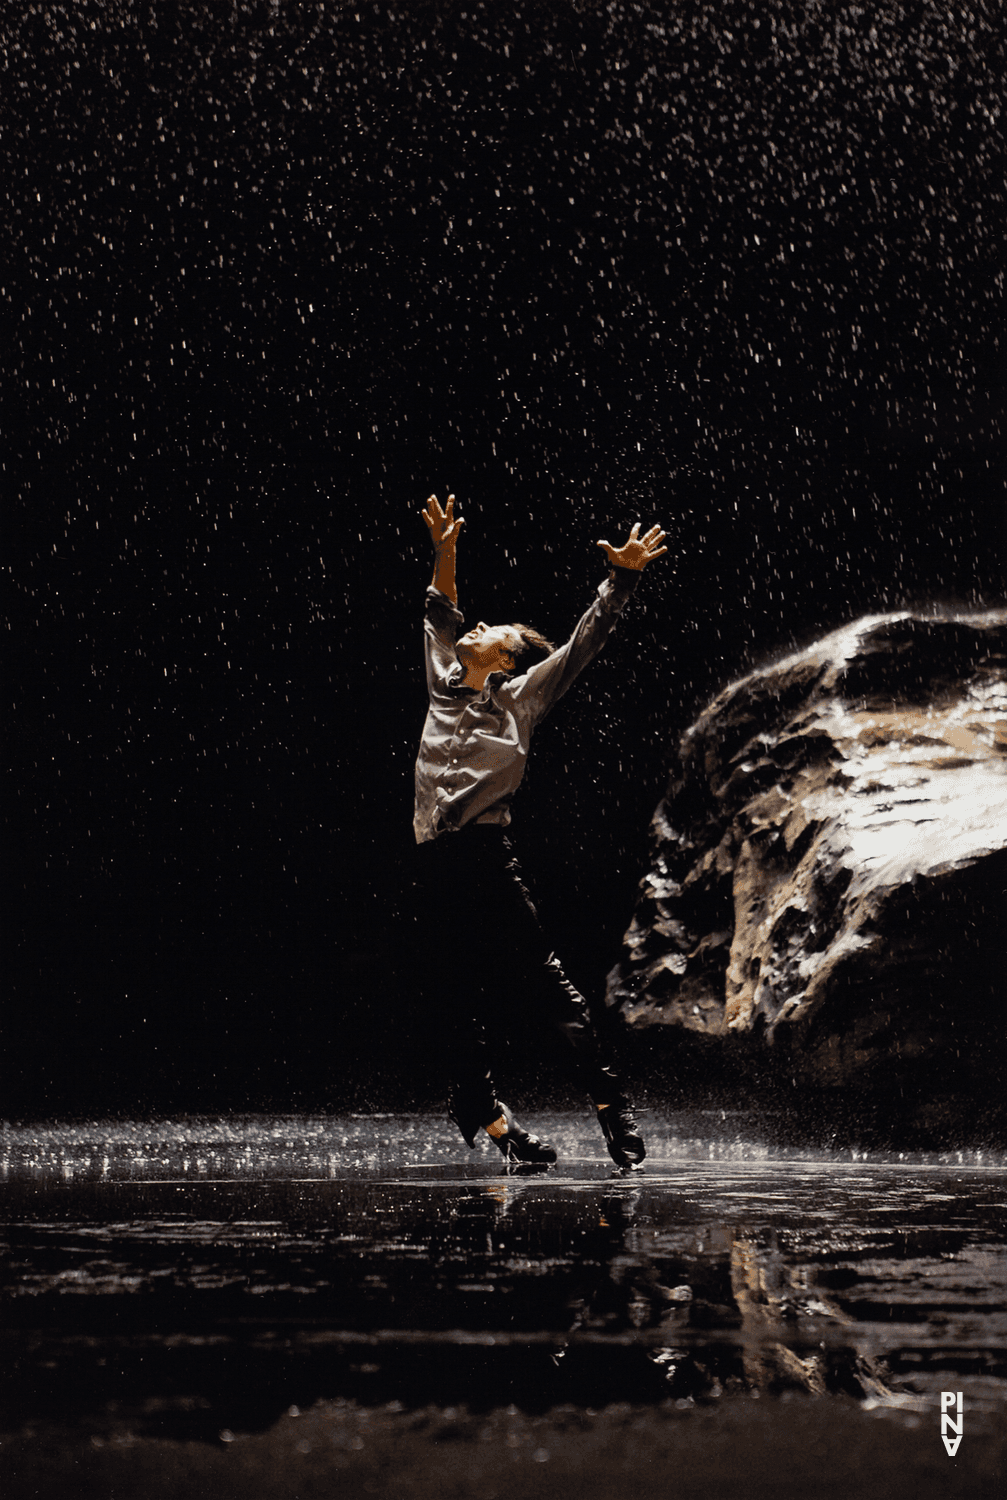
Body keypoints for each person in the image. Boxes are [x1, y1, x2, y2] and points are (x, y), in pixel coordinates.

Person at [414, 492, 667, 1171]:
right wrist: (446, 549)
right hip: (433, 865)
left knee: (544, 985)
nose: (478, 625)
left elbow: (584, 643)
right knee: (451, 1003)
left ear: (505, 660)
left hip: (485, 862)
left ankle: (610, 1104)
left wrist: (623, 579)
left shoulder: (520, 697)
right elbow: (441, 609)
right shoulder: (442, 683)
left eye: (491, 628)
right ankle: (494, 1125)